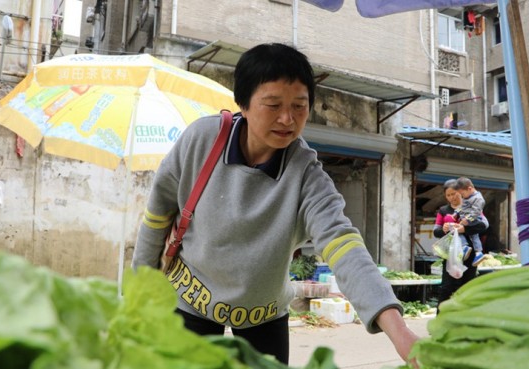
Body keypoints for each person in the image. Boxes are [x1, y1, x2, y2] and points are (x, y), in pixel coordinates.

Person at [132, 43, 418, 364]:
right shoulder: (202, 139)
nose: (287, 119)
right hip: (188, 302)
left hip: (264, 313)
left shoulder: (306, 173)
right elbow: (157, 216)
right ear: (243, 103)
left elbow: (343, 244)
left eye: (299, 106)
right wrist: (138, 296)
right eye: (273, 104)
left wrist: (400, 331)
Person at [433, 179, 489, 304]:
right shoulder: (443, 211)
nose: (452, 197)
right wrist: (444, 229)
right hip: (451, 256)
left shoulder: (472, 206)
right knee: (446, 288)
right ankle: (442, 319)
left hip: (470, 255)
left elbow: (483, 225)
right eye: (448, 195)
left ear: (460, 192)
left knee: (467, 288)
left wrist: (464, 229)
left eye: (454, 194)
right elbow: (435, 231)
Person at [453, 177, 487, 266]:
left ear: (469, 188)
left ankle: (477, 252)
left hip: (475, 220)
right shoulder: (466, 198)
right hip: (466, 219)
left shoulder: (478, 199)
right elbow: (462, 207)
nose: (462, 196)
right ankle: (468, 248)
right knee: (460, 232)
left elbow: (476, 212)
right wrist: (456, 212)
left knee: (473, 236)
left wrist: (468, 220)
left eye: (462, 194)